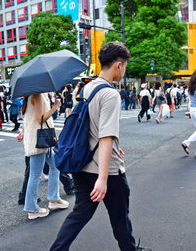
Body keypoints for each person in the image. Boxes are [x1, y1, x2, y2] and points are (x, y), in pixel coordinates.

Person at [50, 42, 150, 251]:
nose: (124, 70)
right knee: (120, 216)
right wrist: (103, 179)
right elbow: (105, 137)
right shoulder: (110, 94)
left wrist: (114, 146)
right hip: (106, 172)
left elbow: (89, 127)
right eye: (125, 66)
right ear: (118, 66)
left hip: (81, 163)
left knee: (79, 215)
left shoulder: (88, 87)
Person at [16, 92, 68, 219]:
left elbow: (29, 117)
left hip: (40, 139)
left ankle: (54, 199)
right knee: (35, 175)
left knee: (55, 166)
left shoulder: (30, 95)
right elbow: (40, 118)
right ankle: (32, 208)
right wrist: (55, 107)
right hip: (38, 140)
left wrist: (22, 132)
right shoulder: (37, 95)